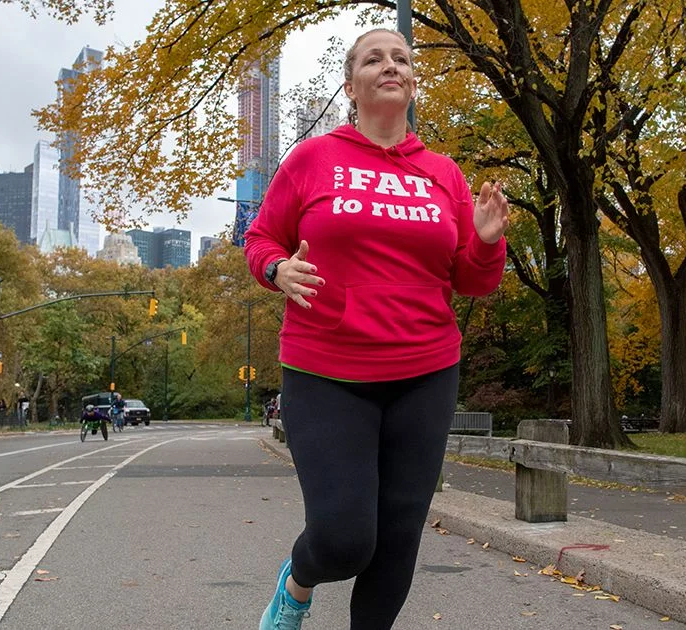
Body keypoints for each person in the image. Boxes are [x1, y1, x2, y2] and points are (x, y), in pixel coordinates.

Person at [244, 28, 510, 630]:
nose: (390, 65)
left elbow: (469, 279)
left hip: (425, 372)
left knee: (397, 539)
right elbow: (260, 236)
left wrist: (488, 243)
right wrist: (276, 268)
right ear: (351, 84)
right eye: (374, 58)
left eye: (401, 58)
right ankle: (297, 583)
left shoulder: (443, 174)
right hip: (325, 370)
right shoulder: (314, 159)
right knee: (343, 538)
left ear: (413, 82)